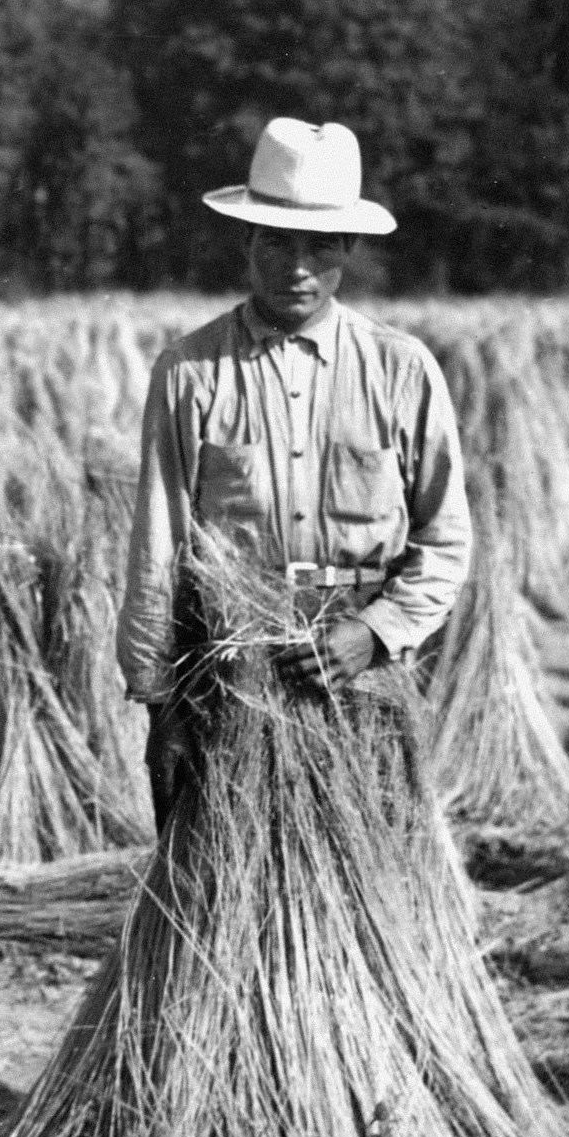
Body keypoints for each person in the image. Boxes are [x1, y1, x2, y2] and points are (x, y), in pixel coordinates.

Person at [117, 118, 470, 825]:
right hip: (229, 687)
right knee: (225, 897)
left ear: (349, 247)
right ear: (246, 240)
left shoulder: (401, 371)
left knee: (370, 893)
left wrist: (374, 632)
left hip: (363, 687)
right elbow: (158, 548)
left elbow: (448, 538)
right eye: (276, 241)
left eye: (318, 245)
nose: (296, 265)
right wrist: (160, 707)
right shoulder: (191, 372)